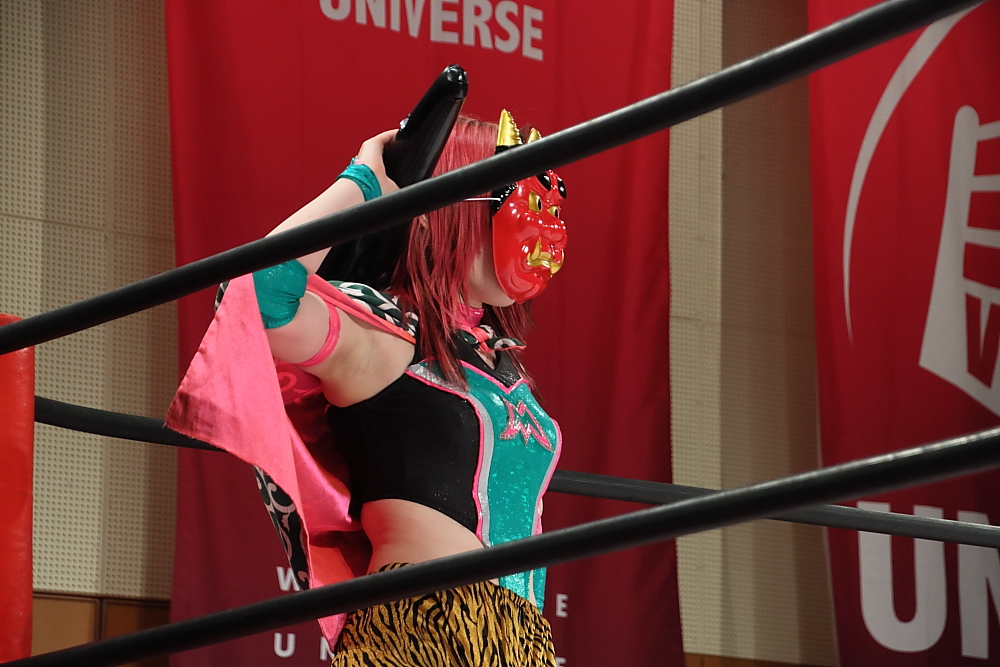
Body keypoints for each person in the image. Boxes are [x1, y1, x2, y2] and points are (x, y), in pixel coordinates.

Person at [169, 112, 568, 666]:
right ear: (449, 207)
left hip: (521, 641)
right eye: (516, 200)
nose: (542, 229)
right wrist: (365, 183)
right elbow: (254, 297)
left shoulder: (503, 364)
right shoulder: (385, 338)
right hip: (420, 627)